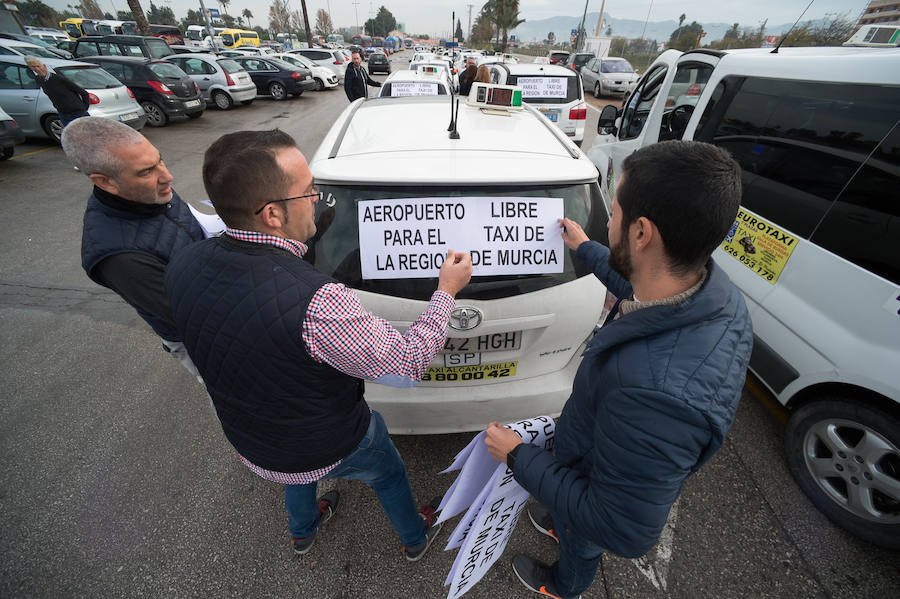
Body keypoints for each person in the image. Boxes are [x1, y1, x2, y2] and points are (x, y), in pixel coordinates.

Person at [165, 129, 473, 560]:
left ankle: (303, 532)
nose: (319, 200)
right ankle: (415, 538)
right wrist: (446, 292)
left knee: (297, 475)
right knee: (386, 472)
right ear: (272, 214)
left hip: (255, 440)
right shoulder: (318, 304)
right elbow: (406, 365)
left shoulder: (184, 262)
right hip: (328, 440)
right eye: (309, 192)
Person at [484, 140, 753, 598]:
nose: (608, 220)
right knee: (570, 516)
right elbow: (634, 284)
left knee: (583, 540)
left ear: (642, 232)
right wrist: (585, 248)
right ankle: (561, 518)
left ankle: (564, 585)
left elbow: (620, 527)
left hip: (598, 489)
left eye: (613, 211)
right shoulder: (711, 292)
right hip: (595, 454)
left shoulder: (656, 400)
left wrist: (518, 457)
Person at [62, 117, 206, 381]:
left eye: (159, 160)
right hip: (201, 340)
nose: (167, 176)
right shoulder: (120, 257)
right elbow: (196, 316)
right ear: (105, 182)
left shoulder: (151, 194)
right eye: (146, 171)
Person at [24, 56, 91, 127]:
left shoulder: (59, 79)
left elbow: (84, 93)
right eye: (33, 67)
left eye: (38, 66)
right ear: (31, 68)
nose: (37, 69)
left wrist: (84, 108)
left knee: (88, 134)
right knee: (71, 136)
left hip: (77, 113)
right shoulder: (39, 79)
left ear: (44, 66)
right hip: (63, 114)